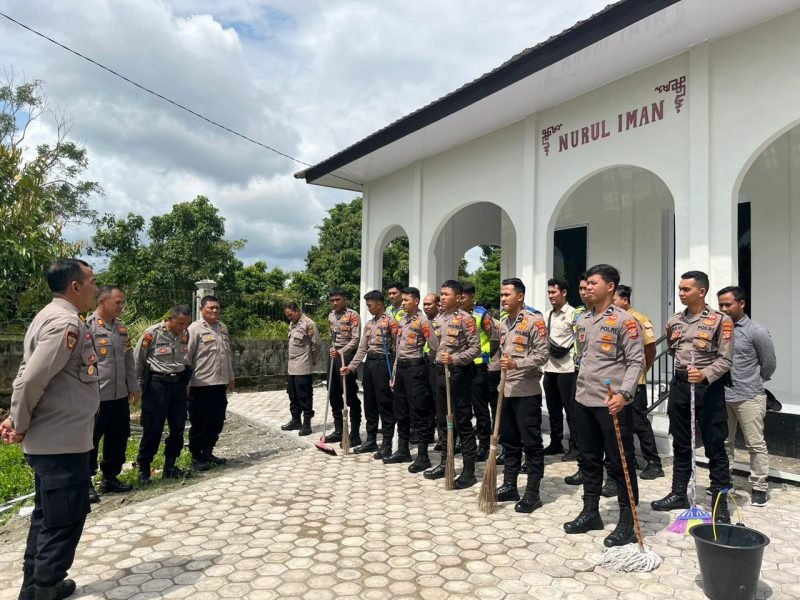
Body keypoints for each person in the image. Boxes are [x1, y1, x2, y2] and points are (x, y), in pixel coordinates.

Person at [2, 259, 99, 600]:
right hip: (61, 443)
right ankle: (44, 589)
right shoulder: (65, 323)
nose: (96, 288)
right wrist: (19, 423)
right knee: (64, 520)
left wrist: (15, 417)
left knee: (47, 517)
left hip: (56, 440)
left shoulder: (48, 315)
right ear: (75, 286)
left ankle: (34, 585)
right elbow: (31, 379)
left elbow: (26, 372)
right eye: (92, 281)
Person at [563, 264, 645, 548]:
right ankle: (590, 512)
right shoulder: (583, 319)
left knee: (620, 463)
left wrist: (624, 394)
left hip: (612, 403)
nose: (588, 288)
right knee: (588, 458)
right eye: (586, 283)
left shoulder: (625, 321)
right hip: (584, 399)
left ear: (610, 287)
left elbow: (636, 361)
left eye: (593, 283)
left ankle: (627, 520)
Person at [651, 271, 734, 523]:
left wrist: (705, 374)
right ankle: (678, 493)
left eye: (686, 289)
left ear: (702, 291)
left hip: (708, 388)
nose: (681, 293)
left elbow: (726, 360)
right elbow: (673, 350)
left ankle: (719, 502)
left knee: (714, 444)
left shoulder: (721, 321)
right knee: (681, 441)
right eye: (680, 288)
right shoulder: (674, 321)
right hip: (680, 385)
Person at [717, 286, 776, 507]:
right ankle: (725, 482)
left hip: (749, 396)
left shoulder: (756, 331)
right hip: (722, 395)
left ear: (741, 304)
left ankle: (759, 486)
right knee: (725, 442)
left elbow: (769, 363)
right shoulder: (719, 329)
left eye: (728, 304)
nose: (724, 309)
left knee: (755, 443)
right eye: (721, 305)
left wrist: (753, 380)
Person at [495, 279, 550, 512]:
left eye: (507, 294)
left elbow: (543, 355)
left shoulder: (534, 321)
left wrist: (517, 364)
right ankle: (510, 485)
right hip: (505, 390)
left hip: (526, 392)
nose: (503, 298)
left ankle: (532, 492)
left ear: (520, 296)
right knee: (509, 441)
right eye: (502, 295)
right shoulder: (505, 322)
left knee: (531, 443)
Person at [424, 280, 481, 488]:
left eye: (446, 294)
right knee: (442, 420)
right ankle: (446, 463)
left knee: (462, 421)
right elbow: (434, 346)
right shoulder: (438, 319)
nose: (443, 298)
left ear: (458, 297)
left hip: (458, 373)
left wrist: (455, 359)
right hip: (440, 372)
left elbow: (475, 348)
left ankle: (469, 470)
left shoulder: (465, 319)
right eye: (441, 294)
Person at [86, 286, 139, 503]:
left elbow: (128, 359)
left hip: (119, 395)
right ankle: (85, 482)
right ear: (103, 301)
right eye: (118, 302)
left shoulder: (121, 327)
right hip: (97, 396)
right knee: (90, 439)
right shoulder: (87, 326)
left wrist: (133, 386)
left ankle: (110, 478)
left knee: (118, 437)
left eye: (122, 302)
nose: (121, 306)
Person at [134, 305, 193, 483]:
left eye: (187, 323)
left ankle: (170, 466)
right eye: (180, 323)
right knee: (153, 428)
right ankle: (144, 469)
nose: (184, 327)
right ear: (169, 319)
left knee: (178, 426)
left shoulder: (185, 334)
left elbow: (185, 359)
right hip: (157, 385)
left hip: (178, 385)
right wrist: (137, 387)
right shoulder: (152, 334)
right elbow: (138, 361)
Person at [613, 285, 664, 480]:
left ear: (625, 300)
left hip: (635, 382)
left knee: (639, 422)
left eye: (614, 299)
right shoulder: (612, 319)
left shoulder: (640, 319)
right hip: (617, 382)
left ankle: (653, 462)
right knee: (622, 424)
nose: (611, 303)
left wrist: (641, 373)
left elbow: (650, 351)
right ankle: (630, 459)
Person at [341, 290, 396, 458]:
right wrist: (351, 367)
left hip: (383, 364)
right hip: (369, 365)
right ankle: (371, 440)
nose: (368, 308)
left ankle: (387, 443)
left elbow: (398, 347)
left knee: (384, 403)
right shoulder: (369, 324)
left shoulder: (390, 322)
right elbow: (362, 348)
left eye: (370, 305)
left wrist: (395, 371)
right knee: (369, 403)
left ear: (379, 304)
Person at [186, 295, 235, 472]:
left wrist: (230, 377)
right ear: (201, 309)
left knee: (217, 420)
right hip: (200, 384)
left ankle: (208, 452)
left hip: (219, 383)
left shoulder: (223, 328)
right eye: (210, 308)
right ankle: (196, 456)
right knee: (200, 422)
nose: (214, 310)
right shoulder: (194, 329)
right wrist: (186, 384)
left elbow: (227, 355)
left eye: (217, 308)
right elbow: (187, 357)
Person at [387, 287, 433, 471]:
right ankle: (403, 450)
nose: (403, 303)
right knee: (401, 411)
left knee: (419, 412)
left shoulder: (423, 321)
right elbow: (398, 350)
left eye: (406, 300)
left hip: (416, 369)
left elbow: (434, 346)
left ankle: (423, 456)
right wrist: (394, 374)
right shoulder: (402, 320)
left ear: (416, 301)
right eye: (403, 300)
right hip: (401, 369)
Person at [542, 278, 577, 460]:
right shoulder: (547, 315)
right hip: (550, 368)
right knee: (553, 409)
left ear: (563, 293)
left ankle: (575, 447)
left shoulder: (573, 314)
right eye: (549, 292)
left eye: (553, 292)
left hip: (567, 369)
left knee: (570, 410)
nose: (550, 296)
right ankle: (556, 443)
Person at [460, 283, 495, 461]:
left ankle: (484, 445)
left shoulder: (481, 314)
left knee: (480, 408)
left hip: (479, 366)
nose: (460, 300)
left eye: (463, 297)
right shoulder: (456, 315)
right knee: (464, 407)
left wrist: (489, 357)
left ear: (472, 297)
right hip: (461, 365)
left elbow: (494, 337)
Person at [326, 287, 362, 446]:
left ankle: (354, 433)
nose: (335, 303)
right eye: (332, 300)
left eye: (338, 300)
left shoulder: (353, 315)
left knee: (349, 394)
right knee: (333, 392)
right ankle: (339, 430)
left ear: (344, 299)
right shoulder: (331, 315)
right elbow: (332, 337)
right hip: (334, 355)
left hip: (347, 355)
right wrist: (333, 350)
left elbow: (356, 340)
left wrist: (341, 352)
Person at [564, 274, 590, 486]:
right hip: (578, 371)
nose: (584, 292)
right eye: (581, 288)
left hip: (602, 379)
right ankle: (583, 468)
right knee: (579, 422)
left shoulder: (614, 316)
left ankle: (611, 474)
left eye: (587, 287)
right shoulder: (578, 314)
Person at [282, 302, 321, 436]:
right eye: (287, 316)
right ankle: (295, 420)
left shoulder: (309, 324)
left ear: (297, 311)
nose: (289, 318)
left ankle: (307, 424)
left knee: (304, 396)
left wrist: (311, 361)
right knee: (292, 395)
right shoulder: (293, 324)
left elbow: (316, 344)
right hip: (292, 367)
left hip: (303, 366)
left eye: (290, 315)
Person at [423, 293, 441, 449]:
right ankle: (428, 433)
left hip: (437, 364)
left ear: (438, 305)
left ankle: (443, 437)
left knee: (438, 402)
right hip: (424, 363)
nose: (426, 307)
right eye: (424, 304)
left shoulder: (441, 322)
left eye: (429, 304)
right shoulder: (423, 321)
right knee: (426, 400)